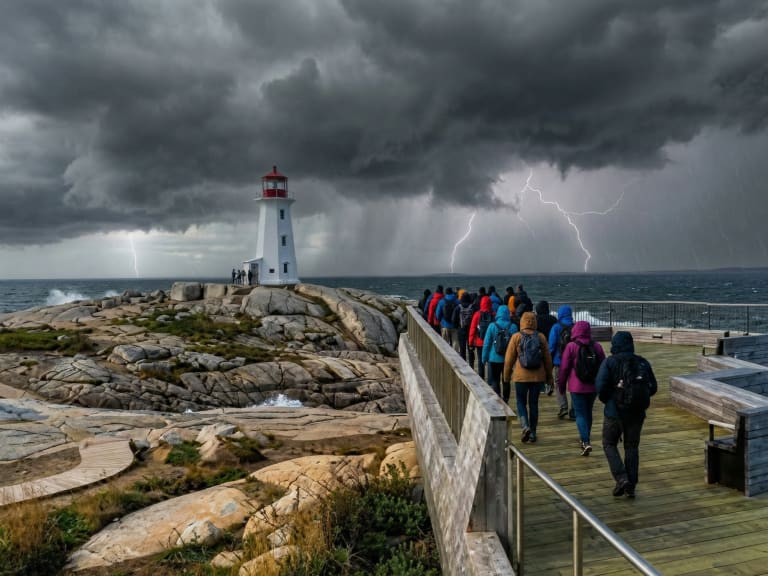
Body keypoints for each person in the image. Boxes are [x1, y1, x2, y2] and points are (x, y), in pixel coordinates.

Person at [596, 331, 658, 498]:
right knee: (632, 447)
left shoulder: (610, 362)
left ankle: (622, 478)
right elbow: (653, 388)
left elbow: (600, 387)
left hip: (614, 412)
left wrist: (609, 399)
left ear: (614, 344)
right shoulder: (642, 362)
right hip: (637, 413)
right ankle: (631, 485)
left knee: (609, 443)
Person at [503, 311, 553, 443]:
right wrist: (549, 378)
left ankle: (525, 426)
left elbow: (508, 360)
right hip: (538, 377)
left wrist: (506, 377)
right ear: (535, 322)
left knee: (521, 402)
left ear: (522, 322)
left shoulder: (516, 337)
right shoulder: (541, 337)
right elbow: (548, 360)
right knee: (533, 404)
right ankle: (533, 433)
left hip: (520, 377)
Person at [558, 321, 606, 456]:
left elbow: (564, 369)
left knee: (579, 414)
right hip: (593, 387)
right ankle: (585, 439)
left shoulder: (571, 346)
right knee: (588, 413)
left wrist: (561, 386)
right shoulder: (597, 346)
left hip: (576, 386)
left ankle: (585, 441)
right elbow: (604, 367)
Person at [482, 304, 517, 402]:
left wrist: (484, 358)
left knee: (495, 380)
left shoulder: (492, 326)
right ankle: (506, 400)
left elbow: (487, 344)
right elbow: (516, 345)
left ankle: (498, 400)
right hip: (508, 358)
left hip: (494, 358)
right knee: (506, 380)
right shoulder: (513, 327)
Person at [549, 305, 575, 419]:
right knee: (573, 385)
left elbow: (551, 346)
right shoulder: (575, 327)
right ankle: (574, 410)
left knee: (559, 384)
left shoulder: (556, 327)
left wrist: (549, 360)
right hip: (574, 362)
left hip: (559, 361)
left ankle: (563, 407)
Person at [535, 301, 558, 394]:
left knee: (540, 368)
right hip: (551, 346)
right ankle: (550, 386)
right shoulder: (553, 319)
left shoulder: (536, 319)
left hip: (539, 347)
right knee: (549, 368)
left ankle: (542, 387)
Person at [468, 295, 493, 379]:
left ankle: (481, 378)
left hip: (479, 342)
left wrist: (470, 342)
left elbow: (472, 329)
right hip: (490, 342)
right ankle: (490, 381)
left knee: (480, 361)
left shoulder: (477, 314)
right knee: (490, 361)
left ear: (481, 303)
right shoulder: (493, 314)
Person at [455, 291, 474, 361]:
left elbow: (453, 319)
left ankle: (463, 362)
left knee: (462, 348)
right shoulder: (472, 307)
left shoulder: (458, 307)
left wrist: (457, 326)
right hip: (470, 329)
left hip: (461, 329)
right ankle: (471, 364)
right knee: (470, 348)